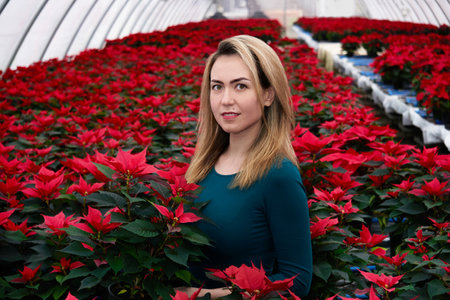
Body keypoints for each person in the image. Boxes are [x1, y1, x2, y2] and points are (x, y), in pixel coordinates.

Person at [183, 34, 312, 298]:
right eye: (217, 87)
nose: (225, 99)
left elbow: (296, 282)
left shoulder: (278, 175)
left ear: (267, 95)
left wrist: (203, 296)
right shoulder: (203, 165)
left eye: (240, 86)